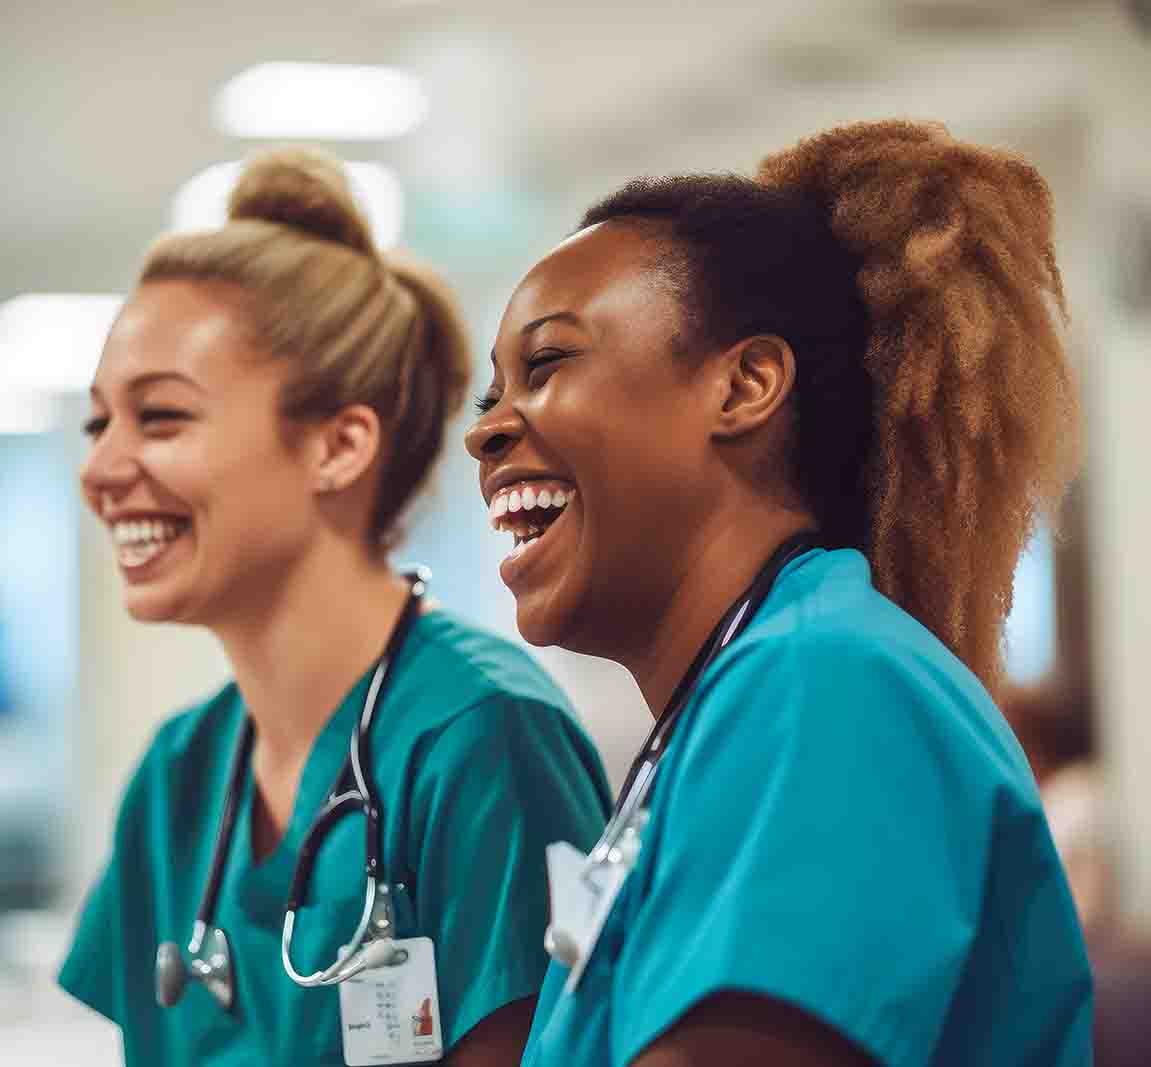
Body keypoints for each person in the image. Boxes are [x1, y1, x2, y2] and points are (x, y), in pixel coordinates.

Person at [465, 120, 1092, 1066]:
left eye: (546, 364)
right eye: (491, 397)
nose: (485, 433)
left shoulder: (825, 683)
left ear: (745, 386)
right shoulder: (739, 701)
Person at [62, 146, 611, 1065]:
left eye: (160, 416)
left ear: (338, 445)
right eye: (97, 422)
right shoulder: (176, 780)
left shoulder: (482, 738)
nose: (101, 468)